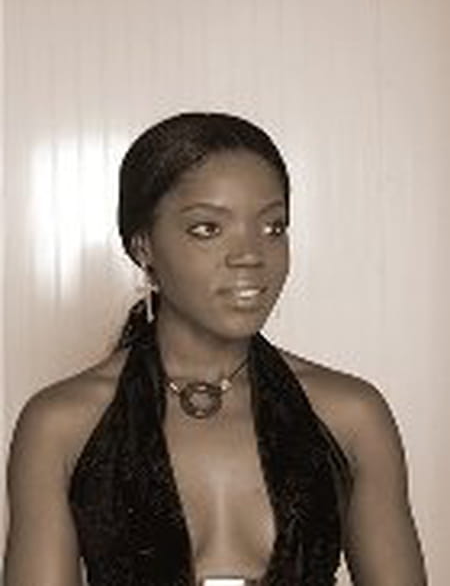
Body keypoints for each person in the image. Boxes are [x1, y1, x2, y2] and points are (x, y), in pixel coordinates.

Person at [4, 112, 427, 585]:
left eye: (273, 227)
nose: (250, 255)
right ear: (143, 246)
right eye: (207, 228)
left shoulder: (352, 415)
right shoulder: (60, 425)